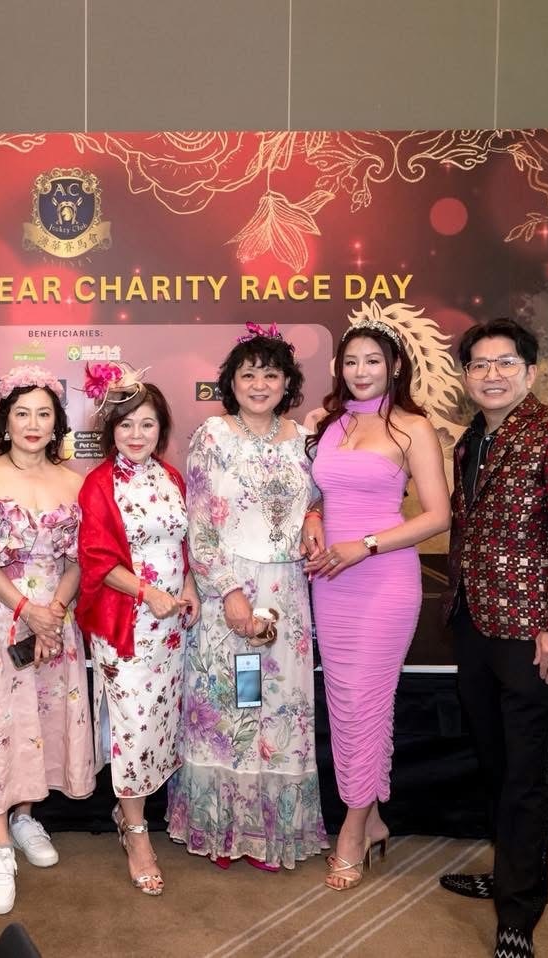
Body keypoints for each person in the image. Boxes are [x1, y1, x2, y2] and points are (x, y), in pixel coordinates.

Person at [437, 318, 548, 958]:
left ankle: (518, 910)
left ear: (530, 372)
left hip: (532, 631)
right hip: (473, 625)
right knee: (497, 762)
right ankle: (509, 870)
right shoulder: (470, 440)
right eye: (479, 364)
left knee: (526, 773)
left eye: (505, 362)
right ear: (466, 375)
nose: (492, 374)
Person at [167, 322, 328, 870]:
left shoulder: (303, 438)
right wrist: (230, 593)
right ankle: (223, 828)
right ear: (231, 383)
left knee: (277, 708)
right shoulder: (213, 436)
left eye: (271, 374)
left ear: (288, 383)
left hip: (287, 594)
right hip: (228, 588)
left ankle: (267, 833)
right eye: (248, 374)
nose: (260, 384)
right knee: (233, 705)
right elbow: (199, 523)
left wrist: (314, 515)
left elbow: (319, 497)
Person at [0, 366, 98, 915]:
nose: (33, 423)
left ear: (57, 424)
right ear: (5, 421)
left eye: (44, 414)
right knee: (0, 719)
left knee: (44, 717)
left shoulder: (74, 482)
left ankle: (28, 818)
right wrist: (27, 609)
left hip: (55, 615)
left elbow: (80, 559)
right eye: (22, 413)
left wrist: (56, 610)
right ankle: (0, 843)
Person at [304, 318, 451, 891]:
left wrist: (362, 545)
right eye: (350, 361)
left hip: (383, 579)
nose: (360, 371)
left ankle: (353, 829)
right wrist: (314, 518)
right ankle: (374, 817)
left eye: (372, 360)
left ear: (394, 366)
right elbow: (317, 492)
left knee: (365, 702)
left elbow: (437, 516)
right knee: (346, 704)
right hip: (330, 579)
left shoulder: (414, 427)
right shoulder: (326, 423)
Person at [76, 363, 199, 897]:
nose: (136, 434)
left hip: (172, 628)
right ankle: (135, 831)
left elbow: (185, 543)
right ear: (111, 430)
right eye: (126, 424)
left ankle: (132, 813)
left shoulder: (171, 478)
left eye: (147, 424)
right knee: (133, 723)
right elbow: (97, 559)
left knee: (161, 722)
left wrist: (189, 587)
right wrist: (149, 593)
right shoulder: (99, 484)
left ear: (161, 429)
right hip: (125, 623)